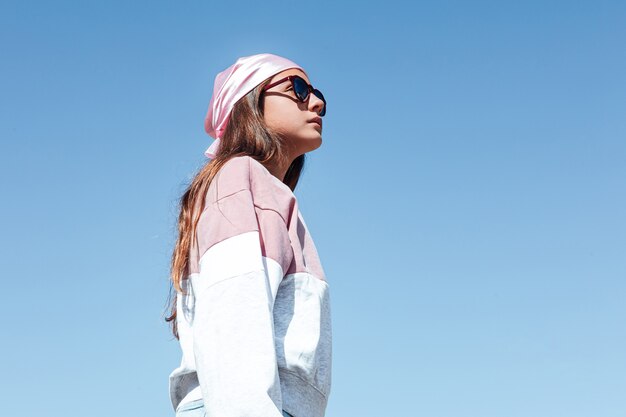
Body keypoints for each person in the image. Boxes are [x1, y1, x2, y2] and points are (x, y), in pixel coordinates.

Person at [164, 53, 332, 417]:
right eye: (298, 89)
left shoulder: (268, 193)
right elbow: (235, 314)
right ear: (250, 101)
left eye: (318, 93)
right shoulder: (241, 178)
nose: (316, 102)